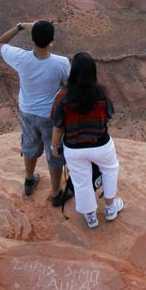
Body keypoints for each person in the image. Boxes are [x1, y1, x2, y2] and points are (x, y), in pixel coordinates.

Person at [0, 19, 72, 206]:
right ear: (52, 40)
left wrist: (20, 26)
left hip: (27, 111)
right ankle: (56, 194)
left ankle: (29, 179)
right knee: (54, 152)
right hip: (50, 116)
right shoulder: (61, 63)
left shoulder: (20, 58)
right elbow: (67, 86)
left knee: (29, 145)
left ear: (32, 39)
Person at [51, 53, 123, 229]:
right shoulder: (101, 93)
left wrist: (55, 146)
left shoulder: (63, 96)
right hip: (100, 144)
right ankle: (110, 209)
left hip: (74, 148)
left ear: (73, 72)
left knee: (81, 180)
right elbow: (109, 115)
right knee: (110, 170)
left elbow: (58, 125)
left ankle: (91, 217)